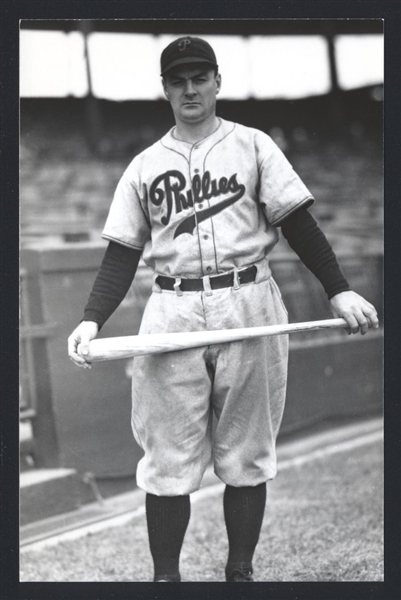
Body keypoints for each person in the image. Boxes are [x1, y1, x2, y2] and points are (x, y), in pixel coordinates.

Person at [68, 36, 379, 582]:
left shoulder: (255, 146)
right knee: (166, 460)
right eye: (178, 80)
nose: (190, 88)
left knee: (247, 452)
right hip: (172, 307)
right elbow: (121, 255)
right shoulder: (143, 167)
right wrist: (91, 319)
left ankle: (240, 575)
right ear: (164, 90)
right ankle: (166, 580)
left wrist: (339, 288)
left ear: (217, 81)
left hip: (249, 301)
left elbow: (298, 224)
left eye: (199, 77)